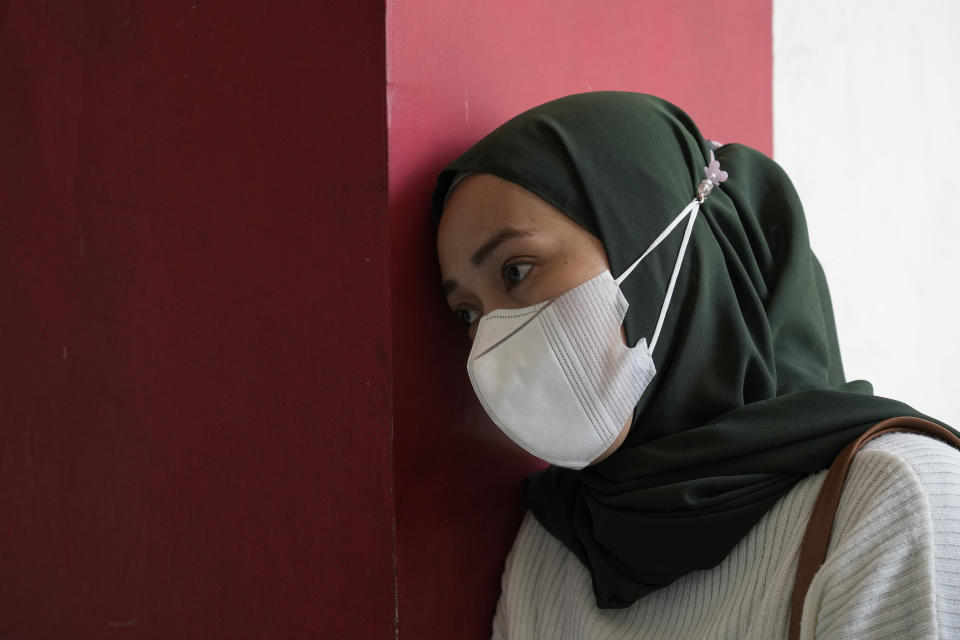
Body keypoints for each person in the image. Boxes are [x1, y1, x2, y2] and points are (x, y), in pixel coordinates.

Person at [432, 92, 960, 639]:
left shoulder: (894, 502)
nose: (493, 339)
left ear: (656, 246)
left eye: (516, 271)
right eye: (468, 313)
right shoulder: (555, 542)